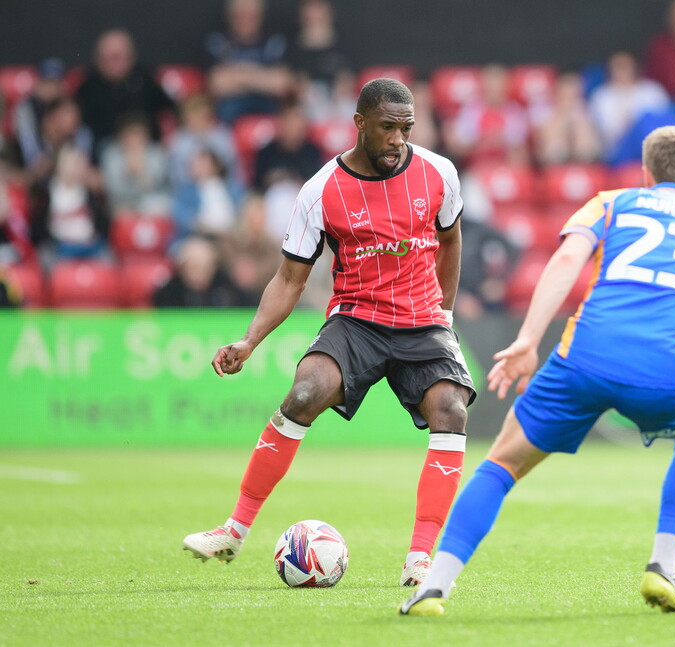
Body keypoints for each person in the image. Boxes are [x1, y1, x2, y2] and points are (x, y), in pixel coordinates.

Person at [399, 125, 675, 616]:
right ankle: (663, 566)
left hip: (584, 359)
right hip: (667, 370)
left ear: (645, 174)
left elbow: (567, 259)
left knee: (501, 464)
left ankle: (434, 588)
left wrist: (529, 340)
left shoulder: (612, 203)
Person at [182, 79, 476, 589]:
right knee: (304, 392)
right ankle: (233, 531)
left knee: (451, 408)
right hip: (356, 318)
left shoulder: (439, 173)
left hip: (421, 318)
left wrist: (444, 315)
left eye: (406, 128)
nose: (398, 140)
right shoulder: (321, 189)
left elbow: (450, 241)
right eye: (387, 128)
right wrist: (250, 340)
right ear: (360, 123)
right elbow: (290, 277)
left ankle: (421, 559)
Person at [74, 29, 175, 155]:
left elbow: (172, 110)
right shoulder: (88, 88)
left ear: (131, 57)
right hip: (101, 156)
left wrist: (169, 137)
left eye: (116, 57)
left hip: (146, 154)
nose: (111, 63)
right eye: (105, 57)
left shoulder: (145, 81)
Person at [205, 0, 295, 123]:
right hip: (229, 122)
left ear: (260, 15)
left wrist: (239, 75)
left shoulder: (274, 43)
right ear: (231, 15)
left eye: (251, 15)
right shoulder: (218, 42)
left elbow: (281, 84)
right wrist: (262, 77)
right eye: (241, 14)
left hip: (270, 119)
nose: (246, 19)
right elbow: (217, 83)